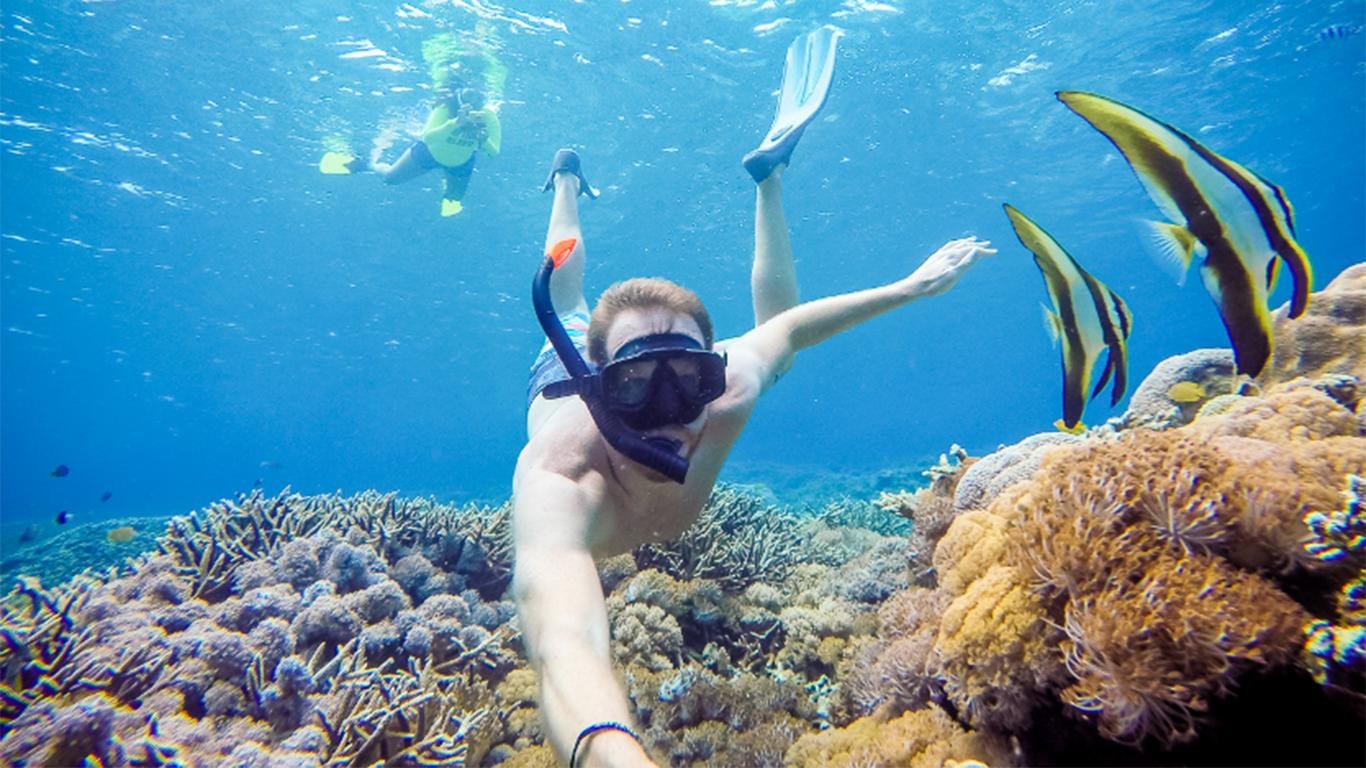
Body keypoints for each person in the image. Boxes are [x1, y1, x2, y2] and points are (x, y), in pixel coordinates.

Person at [511, 27, 995, 768]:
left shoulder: (729, 388)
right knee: (568, 293)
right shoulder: (558, 481)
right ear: (599, 388)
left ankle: (768, 176)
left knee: (779, 349)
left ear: (714, 369)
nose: (672, 415)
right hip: (560, 364)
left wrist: (911, 287)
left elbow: (791, 328)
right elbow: (564, 641)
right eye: (636, 387)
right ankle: (568, 185)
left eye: (688, 379)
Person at [320, 85, 501, 217]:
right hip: (428, 152)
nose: (474, 103)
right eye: (469, 96)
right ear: (460, 96)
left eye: (479, 100)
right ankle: (364, 164)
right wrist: (455, 124)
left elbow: (494, 153)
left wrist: (483, 140)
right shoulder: (445, 107)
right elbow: (428, 137)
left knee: (453, 200)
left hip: (460, 162)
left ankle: (448, 187)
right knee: (389, 178)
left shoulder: (488, 118)